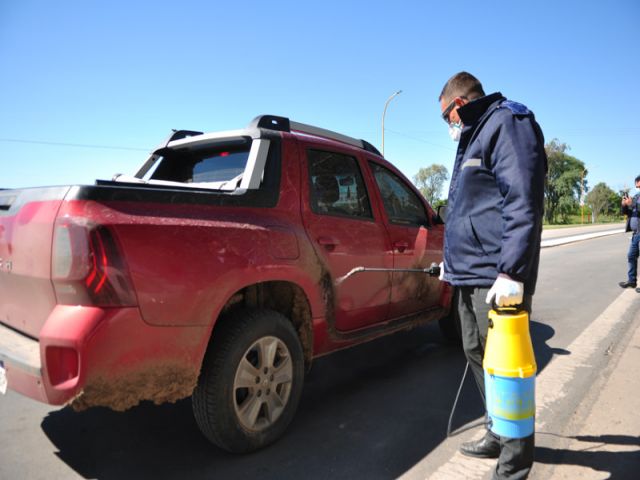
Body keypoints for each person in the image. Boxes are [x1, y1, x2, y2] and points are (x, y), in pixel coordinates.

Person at [438, 72, 547, 480]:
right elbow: (470, 207)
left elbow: (523, 200)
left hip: (498, 276)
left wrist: (512, 271)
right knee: (474, 352)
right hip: (470, 274)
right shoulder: (474, 133)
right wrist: (452, 261)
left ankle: (514, 466)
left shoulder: (507, 123)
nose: (448, 126)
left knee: (506, 368)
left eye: (446, 116)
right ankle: (498, 431)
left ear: (459, 105)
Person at [618, 175, 640, 291]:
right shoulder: (636, 197)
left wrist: (632, 204)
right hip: (636, 233)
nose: (638, 185)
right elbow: (626, 213)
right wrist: (624, 205)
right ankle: (632, 281)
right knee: (631, 256)